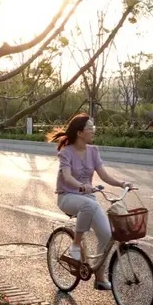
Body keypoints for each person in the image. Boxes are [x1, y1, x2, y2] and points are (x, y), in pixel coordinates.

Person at [48, 114, 133, 291]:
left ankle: (99, 278)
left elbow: (103, 174)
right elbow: (67, 176)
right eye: (90, 127)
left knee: (107, 236)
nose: (93, 130)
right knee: (89, 204)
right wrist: (81, 186)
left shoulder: (93, 151)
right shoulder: (65, 153)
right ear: (80, 132)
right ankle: (76, 245)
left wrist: (121, 183)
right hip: (68, 197)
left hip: (88, 198)